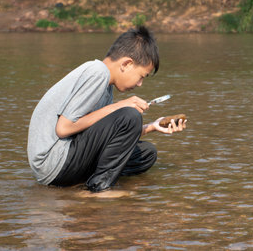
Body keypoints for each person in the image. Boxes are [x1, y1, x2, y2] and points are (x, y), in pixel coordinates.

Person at [27, 26, 187, 193]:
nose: (140, 84)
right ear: (126, 64)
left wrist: (152, 127)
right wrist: (119, 105)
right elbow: (63, 128)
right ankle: (98, 189)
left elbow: (107, 137)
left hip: (66, 161)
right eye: (141, 76)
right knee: (130, 115)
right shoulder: (98, 73)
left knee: (146, 154)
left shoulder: (106, 87)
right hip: (54, 163)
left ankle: (82, 188)